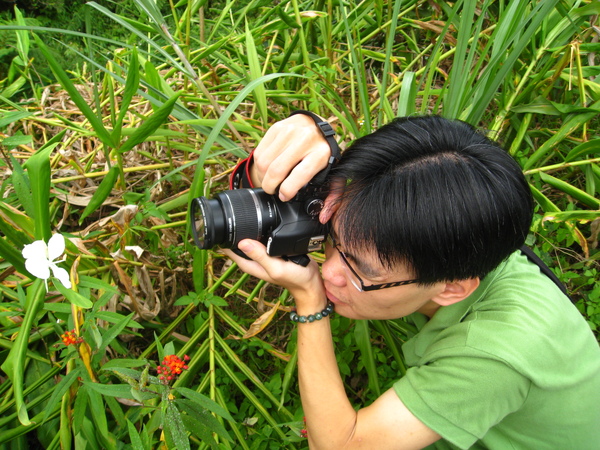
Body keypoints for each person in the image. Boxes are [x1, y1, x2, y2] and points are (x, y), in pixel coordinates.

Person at [222, 112, 600, 449]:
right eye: (333, 241)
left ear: (452, 288)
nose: (330, 272)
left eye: (363, 270)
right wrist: (291, 150)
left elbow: (341, 446)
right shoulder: (447, 224)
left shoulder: (495, 356)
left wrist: (310, 299)